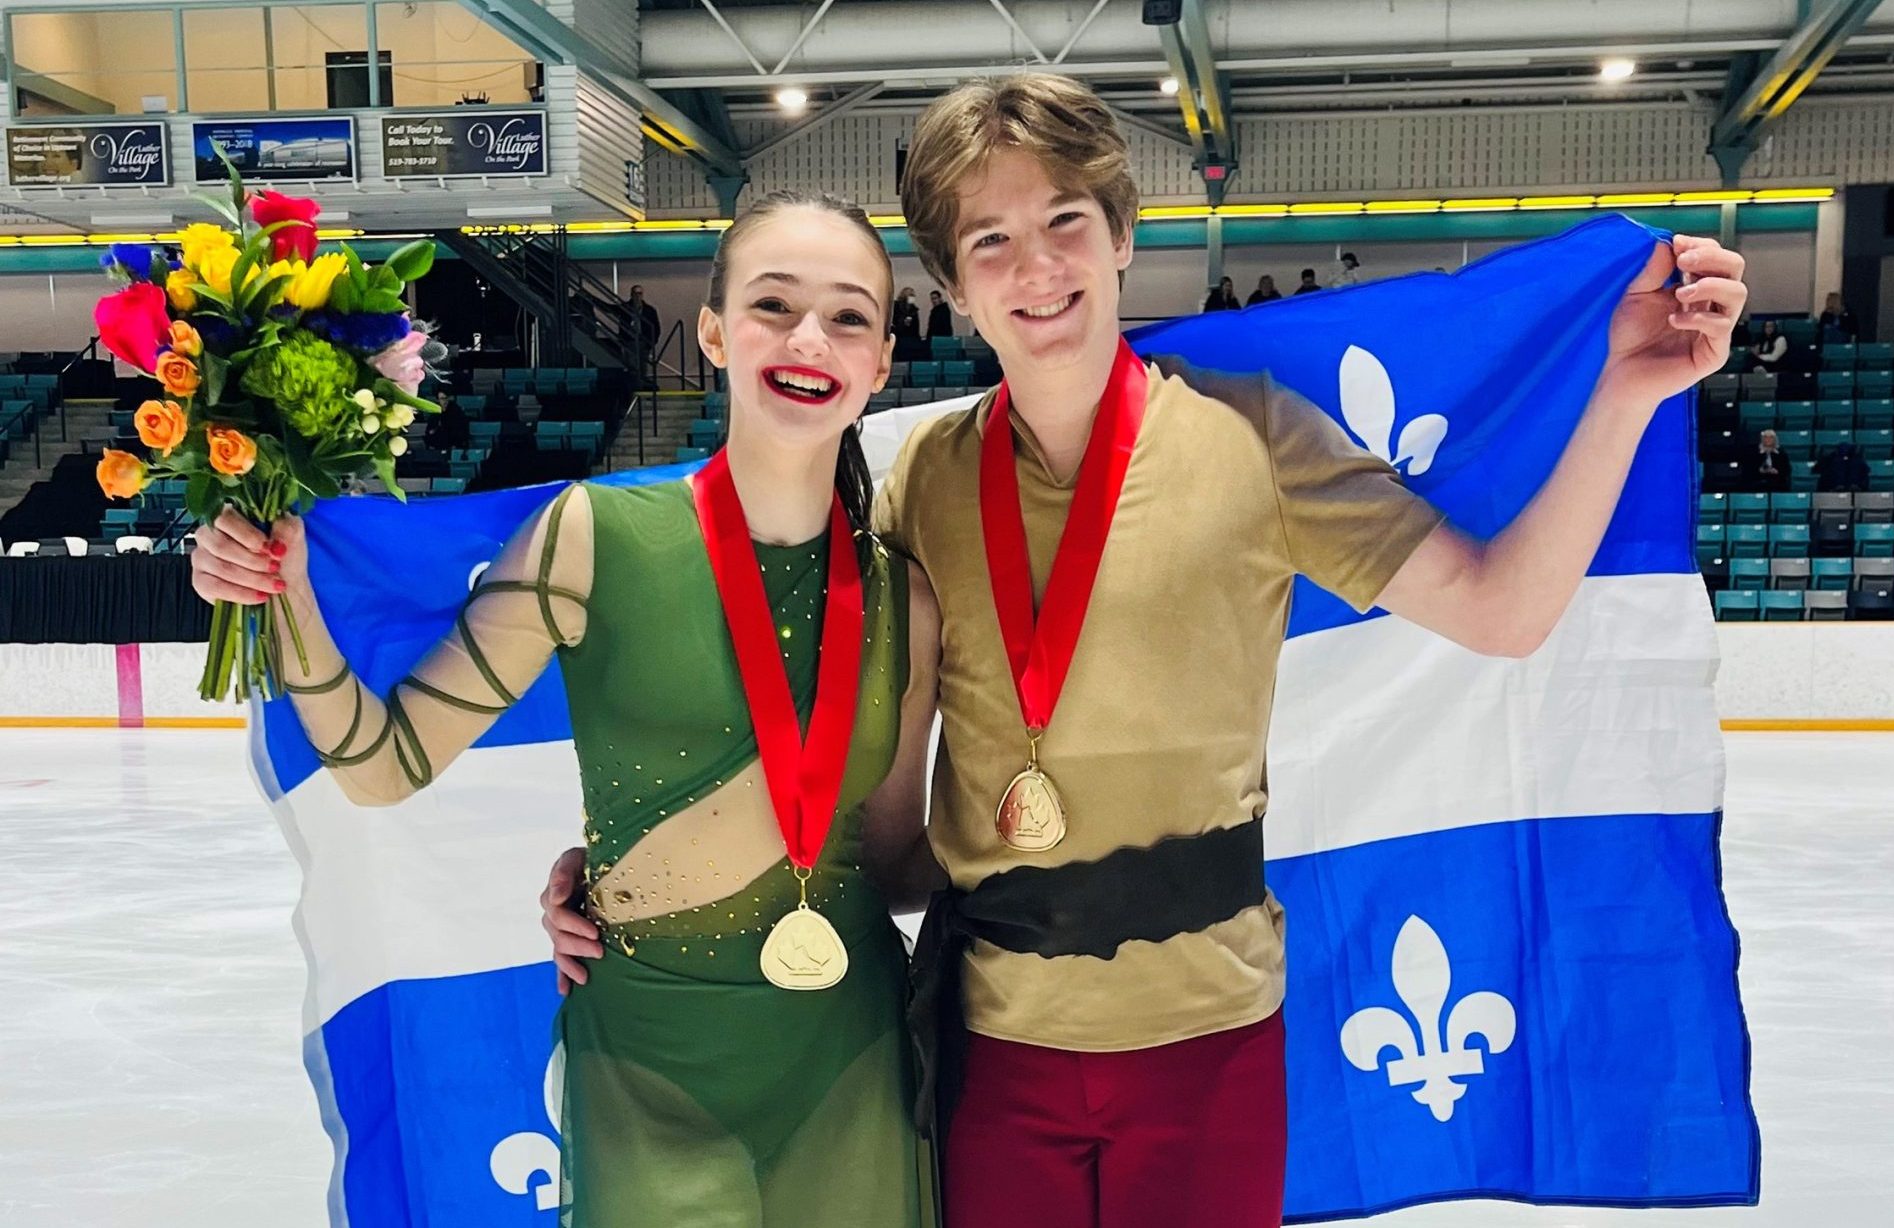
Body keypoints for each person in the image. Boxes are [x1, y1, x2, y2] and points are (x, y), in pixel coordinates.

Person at [546, 73, 1748, 1228]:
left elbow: (1502, 608)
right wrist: (637, 883)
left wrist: (1625, 394)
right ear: (955, 291)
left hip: (1206, 1036)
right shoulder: (920, 485)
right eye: (990, 244)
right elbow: (848, 799)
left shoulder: (1254, 441)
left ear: (1122, 232)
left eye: (1065, 220)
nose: (1036, 267)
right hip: (991, 1042)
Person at [194, 191, 935, 1226]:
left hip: (854, 1065)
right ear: (714, 331)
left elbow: (895, 859)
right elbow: (382, 764)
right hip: (646, 1068)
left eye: (850, 315)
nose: (810, 337)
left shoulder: (906, 594)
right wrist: (284, 582)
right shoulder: (591, 536)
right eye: (774, 304)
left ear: (882, 362)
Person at [625, 283, 661, 385]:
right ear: (631, 295)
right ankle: (634, 388)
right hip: (630, 342)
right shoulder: (625, 308)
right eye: (635, 294)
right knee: (631, 367)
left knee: (642, 367)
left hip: (643, 343)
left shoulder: (649, 311)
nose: (638, 296)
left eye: (640, 293)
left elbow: (656, 328)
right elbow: (611, 309)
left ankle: (641, 387)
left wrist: (651, 343)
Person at [1756, 428, 1793, 493]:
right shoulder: (1755, 453)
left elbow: (1787, 470)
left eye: (1771, 437)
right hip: (1760, 482)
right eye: (1765, 437)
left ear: (1775, 439)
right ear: (1762, 439)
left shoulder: (1781, 454)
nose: (1768, 439)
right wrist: (1760, 470)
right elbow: (1750, 469)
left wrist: (1777, 471)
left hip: (1777, 483)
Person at [892, 287, 923, 360]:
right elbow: (893, 321)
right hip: (898, 337)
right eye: (910, 295)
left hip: (911, 337)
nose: (912, 297)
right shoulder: (896, 306)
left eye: (913, 295)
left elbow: (916, 325)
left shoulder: (914, 309)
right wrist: (903, 322)